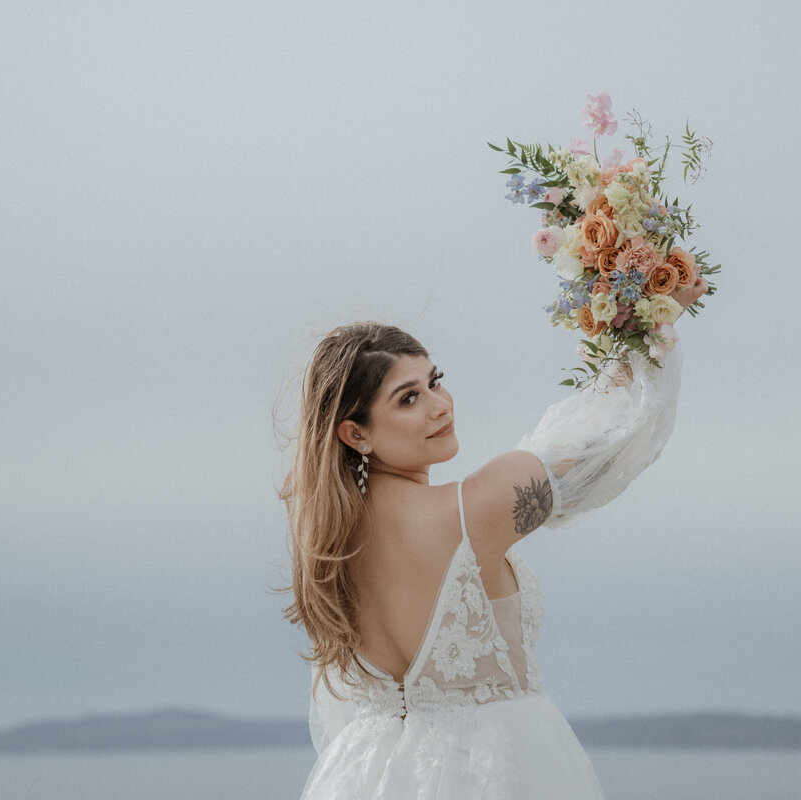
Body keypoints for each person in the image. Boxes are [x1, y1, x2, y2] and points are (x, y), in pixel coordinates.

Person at [281, 278, 707, 799]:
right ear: (356, 433)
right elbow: (611, 438)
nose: (440, 405)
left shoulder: (325, 548)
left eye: (435, 381)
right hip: (499, 771)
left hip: (368, 777)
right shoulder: (471, 510)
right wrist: (652, 324)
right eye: (409, 398)